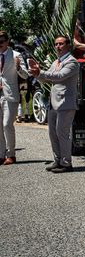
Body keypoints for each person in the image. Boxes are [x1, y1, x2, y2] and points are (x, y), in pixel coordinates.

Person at [28, 36, 79, 173]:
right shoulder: (56, 61)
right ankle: (58, 160)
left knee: (62, 133)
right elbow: (47, 79)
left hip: (65, 103)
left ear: (68, 45)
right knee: (53, 133)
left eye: (61, 44)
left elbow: (59, 76)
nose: (57, 46)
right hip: (54, 103)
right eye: (56, 44)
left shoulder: (72, 62)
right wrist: (37, 74)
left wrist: (41, 72)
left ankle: (66, 163)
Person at [0, 31, 28, 164]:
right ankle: (1, 154)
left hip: (10, 94)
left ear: (7, 41)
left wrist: (18, 68)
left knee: (7, 124)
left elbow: (26, 75)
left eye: (1, 41)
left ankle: (11, 154)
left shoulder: (16, 55)